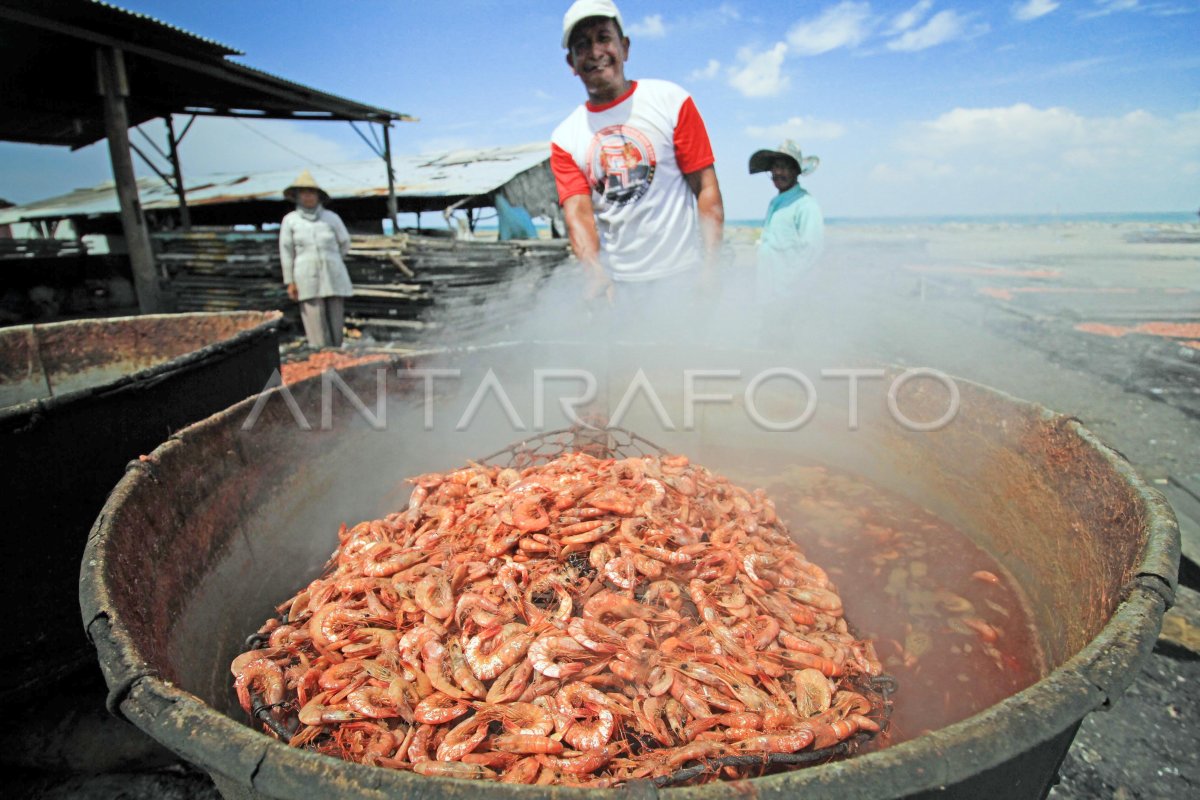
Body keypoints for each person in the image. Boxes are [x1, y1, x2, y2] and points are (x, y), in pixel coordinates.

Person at [550, 0, 724, 308]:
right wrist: (594, 273)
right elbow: (578, 214)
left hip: (683, 276)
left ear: (625, 47)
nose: (595, 52)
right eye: (582, 45)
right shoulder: (565, 137)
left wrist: (710, 266)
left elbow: (705, 187)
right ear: (571, 63)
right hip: (621, 289)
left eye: (604, 38)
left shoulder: (671, 101)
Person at [279, 170, 353, 349]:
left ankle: (337, 352)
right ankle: (320, 355)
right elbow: (286, 252)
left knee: (335, 318)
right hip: (305, 275)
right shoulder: (291, 221)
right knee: (314, 318)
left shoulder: (331, 218)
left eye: (311, 192)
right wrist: (290, 281)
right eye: (304, 192)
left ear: (319, 196)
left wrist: (331, 259)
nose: (308, 196)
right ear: (297, 196)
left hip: (333, 273)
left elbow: (344, 243)